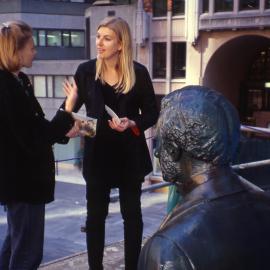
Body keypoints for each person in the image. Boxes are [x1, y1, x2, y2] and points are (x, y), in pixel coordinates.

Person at [138, 86, 270, 270]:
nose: (158, 153)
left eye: (160, 142)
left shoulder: (167, 250)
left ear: (173, 149)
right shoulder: (265, 202)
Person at [65, 16, 158, 270]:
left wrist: (131, 123)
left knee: (133, 216)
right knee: (95, 218)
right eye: (98, 37)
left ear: (120, 43)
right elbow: (71, 114)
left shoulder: (138, 72)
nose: (99, 43)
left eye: (106, 38)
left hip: (130, 157)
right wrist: (77, 122)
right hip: (98, 157)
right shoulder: (85, 71)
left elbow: (152, 112)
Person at [0, 20, 77, 269]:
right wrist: (68, 108)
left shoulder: (19, 80)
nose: (35, 51)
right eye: (31, 46)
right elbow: (31, 138)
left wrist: (66, 130)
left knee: (16, 244)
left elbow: (38, 125)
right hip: (24, 183)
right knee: (27, 253)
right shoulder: (6, 86)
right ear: (16, 50)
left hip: (24, 183)